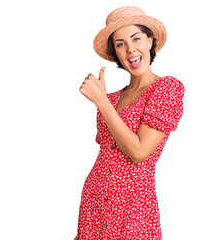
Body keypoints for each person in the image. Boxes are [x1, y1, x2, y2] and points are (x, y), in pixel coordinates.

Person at [75, 6, 185, 240]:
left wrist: (101, 102)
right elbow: (108, 154)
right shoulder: (112, 98)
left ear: (150, 41)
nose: (131, 49)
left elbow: (139, 151)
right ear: (115, 52)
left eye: (136, 38)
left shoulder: (166, 88)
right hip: (94, 205)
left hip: (133, 209)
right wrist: (104, 102)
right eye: (120, 43)